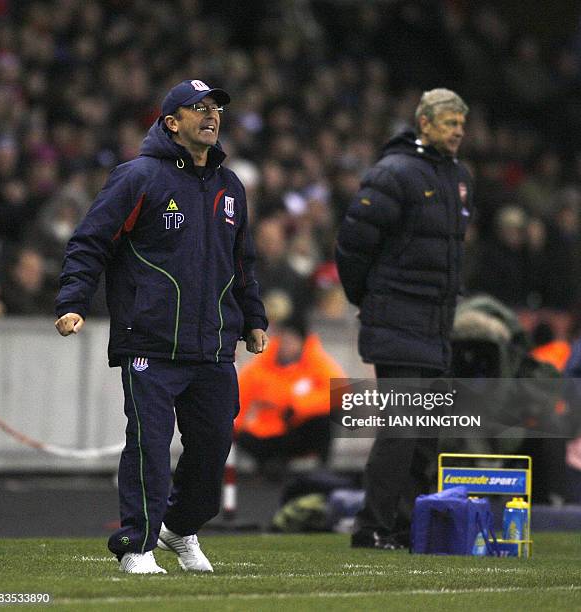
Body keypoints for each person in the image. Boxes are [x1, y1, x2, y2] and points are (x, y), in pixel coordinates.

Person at [55, 79, 268, 574]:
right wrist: (73, 300)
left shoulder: (230, 186)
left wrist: (254, 318)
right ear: (172, 122)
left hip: (213, 345)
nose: (211, 115)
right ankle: (137, 545)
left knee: (214, 447)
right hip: (149, 339)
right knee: (149, 446)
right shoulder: (138, 177)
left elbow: (243, 263)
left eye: (215, 108)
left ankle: (180, 527)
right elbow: (90, 241)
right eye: (199, 108)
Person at [335, 88, 472, 549]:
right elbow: (352, 248)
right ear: (425, 123)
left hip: (435, 326)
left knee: (426, 436)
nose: (458, 132)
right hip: (397, 320)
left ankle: (405, 527)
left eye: (461, 124)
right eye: (450, 122)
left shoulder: (458, 177)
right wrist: (370, 300)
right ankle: (370, 526)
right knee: (400, 429)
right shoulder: (394, 173)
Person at [235, 316, 346, 475]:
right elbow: (241, 397)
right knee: (243, 436)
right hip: (265, 431)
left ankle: (321, 469)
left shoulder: (316, 363)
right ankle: (269, 465)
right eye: (285, 340)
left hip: (296, 429)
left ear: (302, 342)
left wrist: (298, 406)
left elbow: (340, 391)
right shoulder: (261, 366)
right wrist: (236, 428)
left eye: (292, 341)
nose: (287, 346)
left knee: (327, 418)